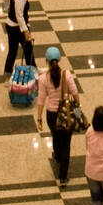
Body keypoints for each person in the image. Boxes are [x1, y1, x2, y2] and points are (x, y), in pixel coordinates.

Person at [36, 46, 79, 187]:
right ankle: (63, 177)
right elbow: (75, 94)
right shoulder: (66, 75)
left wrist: (39, 118)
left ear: (46, 61)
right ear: (60, 59)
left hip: (51, 115)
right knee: (66, 144)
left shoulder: (43, 78)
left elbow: (41, 99)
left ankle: (58, 156)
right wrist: (77, 112)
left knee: (55, 136)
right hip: (66, 113)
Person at [2, 0, 35, 78]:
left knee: (12, 50)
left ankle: (7, 73)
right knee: (28, 49)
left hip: (10, 25)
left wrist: (7, 8)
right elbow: (19, 16)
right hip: (17, 28)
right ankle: (33, 71)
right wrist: (25, 31)